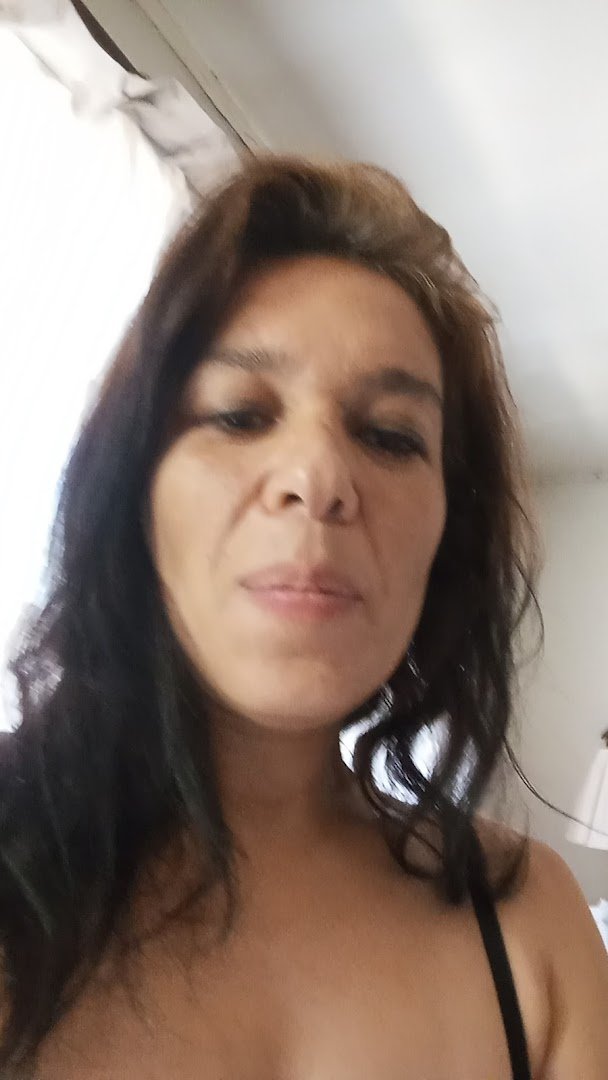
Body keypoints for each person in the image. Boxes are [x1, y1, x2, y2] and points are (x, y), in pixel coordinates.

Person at [1, 156, 607, 1079]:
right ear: (131, 490)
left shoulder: (533, 928)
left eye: (391, 436)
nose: (320, 477)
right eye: (239, 415)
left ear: (447, 535)